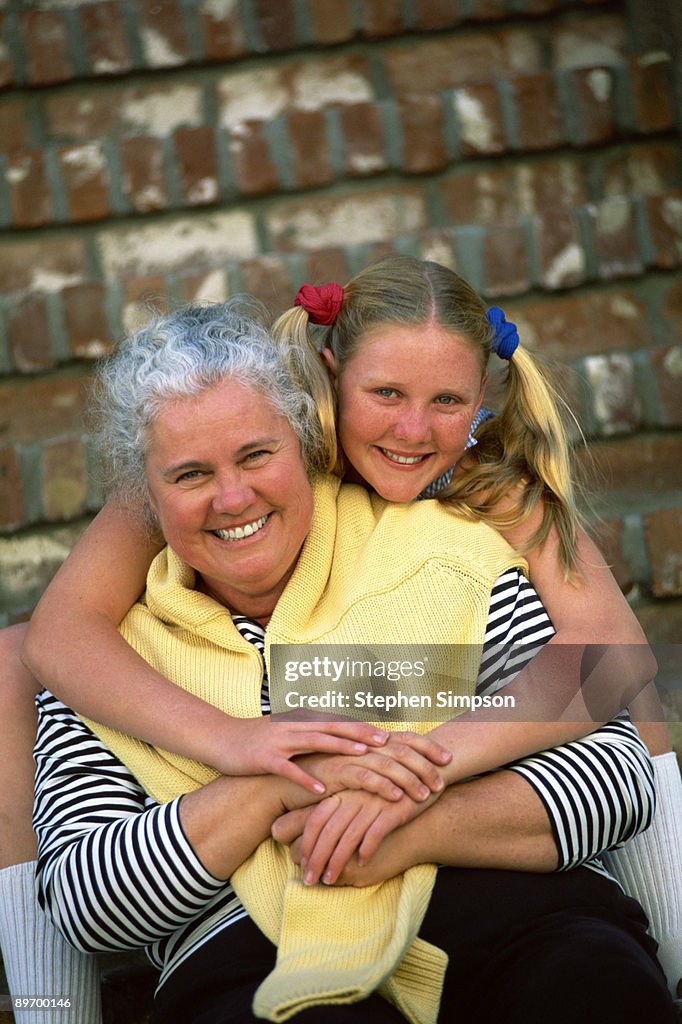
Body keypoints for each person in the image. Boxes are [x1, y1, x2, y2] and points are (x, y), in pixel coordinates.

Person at [30, 302, 674, 1024]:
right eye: (188, 475)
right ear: (143, 497)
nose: (233, 497)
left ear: (307, 441)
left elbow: (617, 771)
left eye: (255, 455)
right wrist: (271, 787)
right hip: (248, 959)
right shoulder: (115, 664)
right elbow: (88, 905)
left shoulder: (444, 551)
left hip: (511, 913)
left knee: (590, 988)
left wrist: (412, 814)